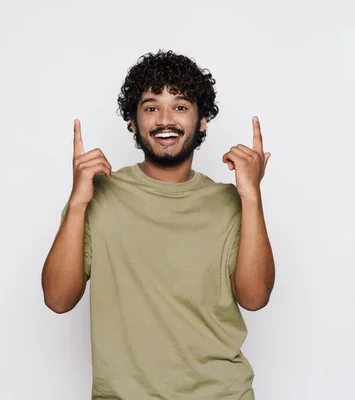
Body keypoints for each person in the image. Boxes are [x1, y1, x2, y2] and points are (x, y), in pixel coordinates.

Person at [41, 50, 275, 399]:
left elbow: (255, 298)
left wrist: (252, 197)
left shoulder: (231, 202)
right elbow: (58, 300)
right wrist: (76, 204)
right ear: (133, 122)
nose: (166, 119)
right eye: (151, 107)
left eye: (180, 106)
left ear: (203, 119)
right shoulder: (97, 196)